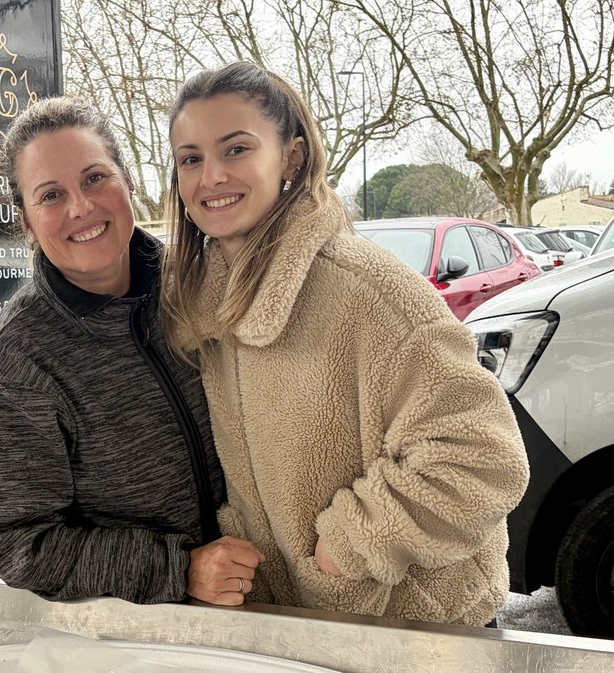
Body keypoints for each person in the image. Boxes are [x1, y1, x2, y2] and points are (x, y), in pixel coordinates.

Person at [159, 62, 530, 626]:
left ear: (292, 157)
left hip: (412, 633)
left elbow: (485, 460)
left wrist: (346, 549)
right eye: (191, 159)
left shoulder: (368, 290)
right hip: (304, 630)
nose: (210, 176)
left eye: (236, 149)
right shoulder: (205, 307)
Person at [0, 96, 265, 606]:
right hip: (150, 629)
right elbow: (21, 545)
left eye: (95, 178)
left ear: (128, 182)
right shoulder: (11, 368)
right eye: (51, 195)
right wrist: (178, 569)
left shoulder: (200, 289)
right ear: (26, 220)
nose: (80, 207)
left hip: (271, 592)